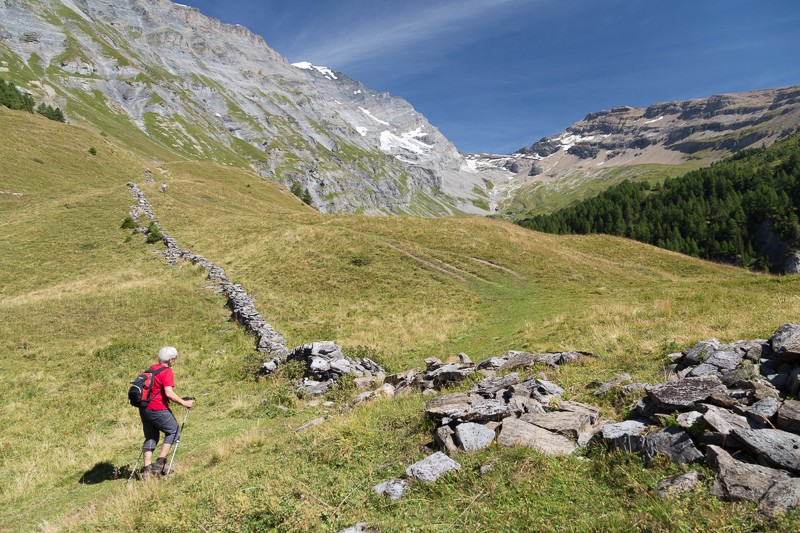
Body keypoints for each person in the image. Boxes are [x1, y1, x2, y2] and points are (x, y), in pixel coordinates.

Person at [139, 346, 194, 477]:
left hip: (144, 409)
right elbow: (169, 393)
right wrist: (184, 403)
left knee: (151, 436)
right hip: (157, 408)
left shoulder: (151, 369)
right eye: (174, 359)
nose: (174, 361)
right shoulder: (166, 371)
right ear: (170, 360)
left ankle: (147, 470)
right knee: (173, 430)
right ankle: (159, 464)